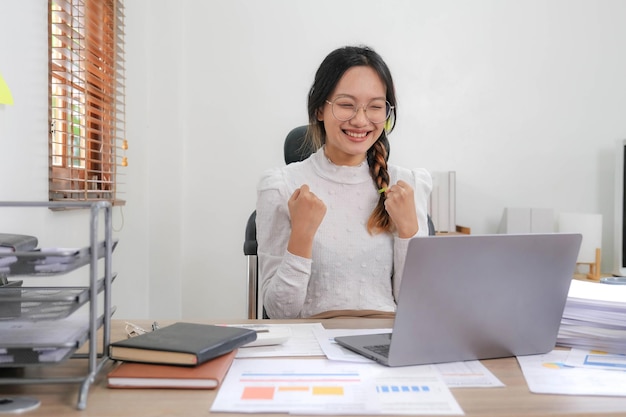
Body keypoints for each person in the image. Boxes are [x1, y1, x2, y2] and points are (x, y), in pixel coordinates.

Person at [256, 45, 432, 319]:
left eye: (375, 107)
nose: (361, 120)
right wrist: (302, 235)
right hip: (313, 345)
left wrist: (408, 230)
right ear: (319, 110)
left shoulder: (407, 184)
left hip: (387, 343)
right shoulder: (281, 186)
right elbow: (280, 314)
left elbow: (419, 307)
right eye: (347, 105)